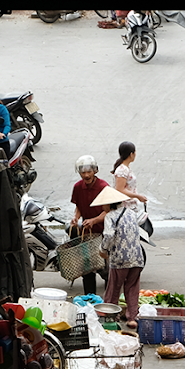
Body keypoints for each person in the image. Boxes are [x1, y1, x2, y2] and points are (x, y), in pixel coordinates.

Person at [95, 184, 148, 330]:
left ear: (108, 204)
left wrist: (103, 250)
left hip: (120, 259)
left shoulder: (110, 216)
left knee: (113, 288)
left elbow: (109, 235)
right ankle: (132, 318)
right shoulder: (131, 212)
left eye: (103, 205)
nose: (102, 208)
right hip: (137, 258)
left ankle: (109, 316)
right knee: (132, 288)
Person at [69, 155, 110, 296]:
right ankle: (89, 298)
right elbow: (79, 206)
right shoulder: (77, 187)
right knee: (87, 269)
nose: (86, 175)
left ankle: (110, 299)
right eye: (83, 172)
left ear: (95, 171)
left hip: (104, 234)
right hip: (87, 235)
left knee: (106, 269)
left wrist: (94, 220)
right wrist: (76, 218)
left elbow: (109, 212)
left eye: (89, 171)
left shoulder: (104, 187)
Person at [114, 141, 151, 235]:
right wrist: (138, 196)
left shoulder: (125, 168)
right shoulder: (122, 170)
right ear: (131, 154)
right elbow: (120, 189)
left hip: (130, 207)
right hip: (124, 207)